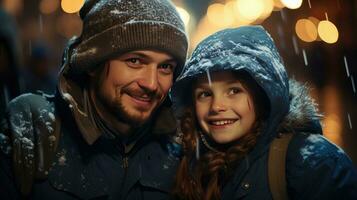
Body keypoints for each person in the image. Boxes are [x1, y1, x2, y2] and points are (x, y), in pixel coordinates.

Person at [0, 0, 188, 199]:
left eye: (165, 67)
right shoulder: (33, 131)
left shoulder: (181, 150)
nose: (151, 84)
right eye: (135, 61)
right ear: (91, 63)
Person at [171, 26, 357, 199]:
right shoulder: (187, 163)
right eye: (205, 94)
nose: (216, 106)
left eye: (234, 91)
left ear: (263, 94)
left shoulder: (314, 164)